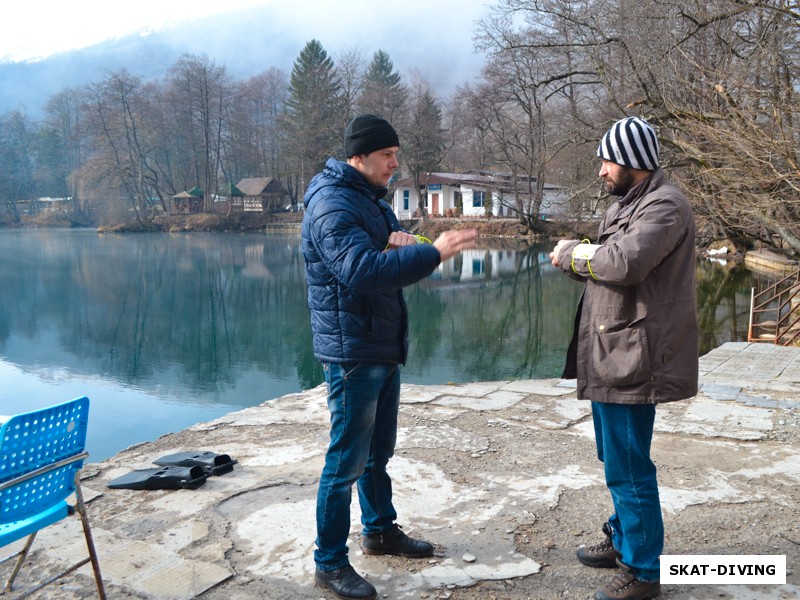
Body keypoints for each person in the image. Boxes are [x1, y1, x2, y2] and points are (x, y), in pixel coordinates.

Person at [302, 113, 477, 600]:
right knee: (345, 461)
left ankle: (379, 531)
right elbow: (360, 270)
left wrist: (411, 243)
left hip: (379, 343)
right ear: (358, 157)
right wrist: (434, 252)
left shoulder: (368, 201)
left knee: (378, 452)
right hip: (352, 350)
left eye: (396, 155)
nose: (395, 164)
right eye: (387, 156)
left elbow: (388, 253)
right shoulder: (332, 203)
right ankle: (330, 562)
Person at [550, 116, 698, 600]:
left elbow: (625, 261)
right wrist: (579, 260)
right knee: (614, 456)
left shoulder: (665, 205)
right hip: (612, 350)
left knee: (629, 465)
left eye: (606, 160)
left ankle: (645, 572)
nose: (600, 171)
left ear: (633, 161)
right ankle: (623, 537)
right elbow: (609, 264)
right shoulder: (630, 203)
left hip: (634, 357)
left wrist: (574, 253)